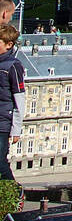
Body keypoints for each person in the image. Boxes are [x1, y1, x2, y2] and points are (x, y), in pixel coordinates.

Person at [0, 24, 25, 182]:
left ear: (9, 45)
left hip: (3, 122)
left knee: (0, 162)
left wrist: (16, 129)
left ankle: (15, 193)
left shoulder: (13, 66)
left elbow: (19, 99)